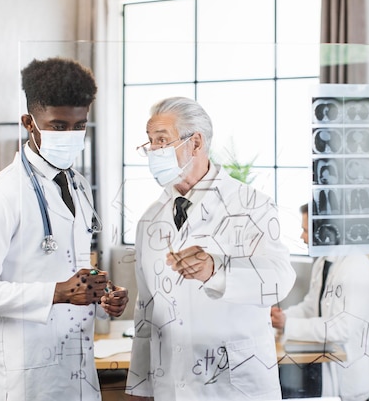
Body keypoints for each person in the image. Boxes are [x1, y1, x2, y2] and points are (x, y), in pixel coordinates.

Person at [0, 57, 129, 401]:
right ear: (28, 123)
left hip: (77, 361)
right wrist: (59, 292)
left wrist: (102, 292)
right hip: (29, 370)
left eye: (80, 126)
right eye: (58, 126)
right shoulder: (2, 195)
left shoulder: (77, 184)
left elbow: (72, 266)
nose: (71, 135)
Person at [125, 96, 296, 400]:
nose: (153, 151)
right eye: (150, 142)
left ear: (196, 142)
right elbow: (146, 308)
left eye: (162, 141)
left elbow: (279, 280)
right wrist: (140, 386)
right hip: (172, 386)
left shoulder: (250, 204)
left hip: (233, 385)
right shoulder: (151, 218)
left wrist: (215, 270)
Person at [271, 204, 369, 401]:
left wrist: (288, 325)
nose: (302, 237)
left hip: (356, 379)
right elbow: (311, 306)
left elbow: (342, 329)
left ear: (326, 232)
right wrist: (282, 317)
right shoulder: (324, 261)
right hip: (330, 365)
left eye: (306, 231)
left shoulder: (356, 267)